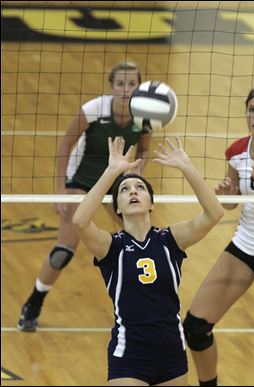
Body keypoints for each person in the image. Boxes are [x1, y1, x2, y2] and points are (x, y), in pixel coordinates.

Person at [72, 136, 224, 386]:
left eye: (140, 188)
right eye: (125, 190)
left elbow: (215, 213)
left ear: (151, 203)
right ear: (117, 208)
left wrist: (187, 167)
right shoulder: (111, 247)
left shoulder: (170, 240)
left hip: (172, 353)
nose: (133, 191)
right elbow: (79, 221)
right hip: (130, 356)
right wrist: (112, 172)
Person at [18, 61, 152, 332]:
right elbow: (66, 144)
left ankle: (140, 308)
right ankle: (34, 301)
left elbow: (145, 150)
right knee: (63, 251)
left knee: (140, 244)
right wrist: (60, 191)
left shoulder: (145, 114)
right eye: (120, 84)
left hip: (118, 182)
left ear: (139, 86)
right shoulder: (94, 110)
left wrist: (139, 169)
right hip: (83, 180)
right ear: (111, 86)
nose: (126, 90)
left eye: (132, 84)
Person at [183, 86, 254, 386]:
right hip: (245, 244)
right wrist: (227, 195)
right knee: (195, 328)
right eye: (252, 110)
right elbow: (232, 201)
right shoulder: (236, 152)